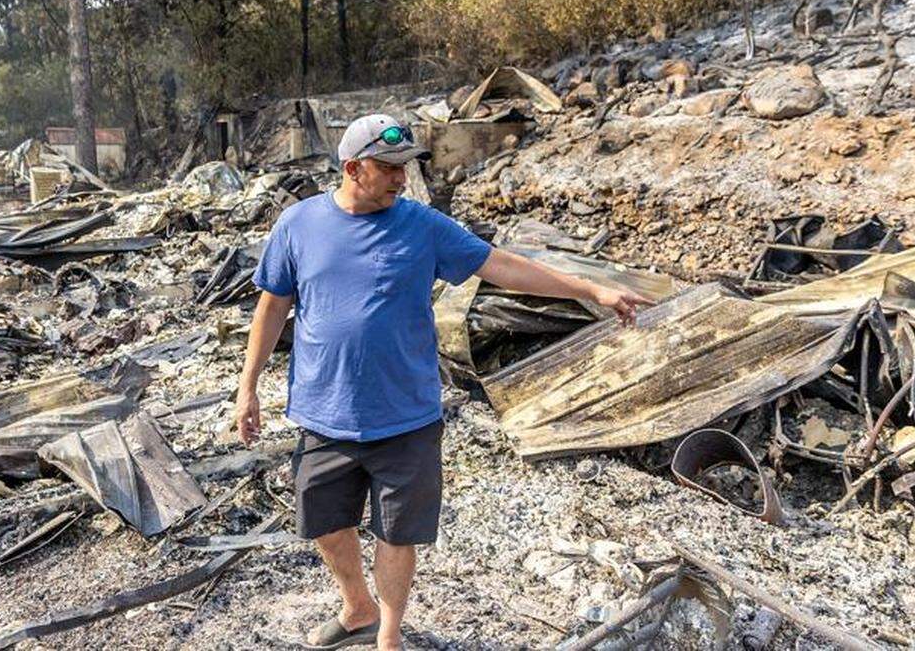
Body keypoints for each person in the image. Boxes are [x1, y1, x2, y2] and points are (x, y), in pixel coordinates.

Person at [235, 114, 649, 650]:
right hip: (324, 410)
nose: (400, 179)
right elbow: (273, 305)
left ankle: (388, 634)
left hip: (406, 414)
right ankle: (357, 606)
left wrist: (591, 290)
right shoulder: (298, 225)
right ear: (352, 167)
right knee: (324, 524)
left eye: (406, 167)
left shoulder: (423, 226)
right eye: (388, 168)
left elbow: (501, 266)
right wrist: (248, 386)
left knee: (396, 532)